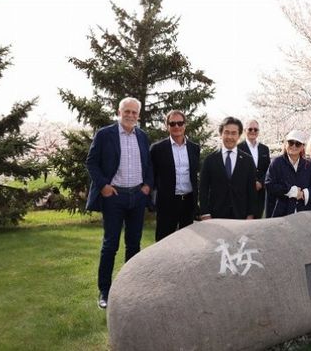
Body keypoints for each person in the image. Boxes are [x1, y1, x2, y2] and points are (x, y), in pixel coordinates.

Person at [85, 97, 153, 310]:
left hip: (137, 197)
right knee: (110, 245)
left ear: (138, 115)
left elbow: (148, 165)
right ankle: (105, 291)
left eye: (134, 112)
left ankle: (131, 287)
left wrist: (147, 186)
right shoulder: (105, 134)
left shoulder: (142, 136)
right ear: (119, 111)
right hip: (114, 197)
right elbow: (91, 162)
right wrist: (104, 185)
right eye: (127, 111)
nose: (131, 115)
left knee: (134, 245)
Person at [150, 110, 200, 241]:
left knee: (188, 241)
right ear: (167, 126)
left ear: (185, 125)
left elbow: (195, 175)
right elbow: (152, 175)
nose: (176, 126)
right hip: (167, 202)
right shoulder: (157, 149)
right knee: (163, 241)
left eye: (180, 123)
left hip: (188, 202)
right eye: (172, 124)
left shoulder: (194, 148)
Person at [199, 117, 257, 220]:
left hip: (241, 215)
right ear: (221, 134)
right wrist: (205, 213)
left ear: (239, 135)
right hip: (216, 216)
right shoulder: (210, 160)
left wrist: (251, 214)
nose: (230, 136)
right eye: (226, 132)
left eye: (234, 133)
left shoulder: (247, 160)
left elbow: (251, 190)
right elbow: (203, 189)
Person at [265, 130, 311, 217]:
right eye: (291, 143)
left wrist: (304, 193)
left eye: (297, 143)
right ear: (286, 144)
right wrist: (290, 191)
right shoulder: (276, 163)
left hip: (303, 213)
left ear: (302, 147)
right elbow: (269, 184)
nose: (294, 146)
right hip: (280, 214)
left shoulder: (308, 165)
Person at [237, 119, 271, 218]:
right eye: (250, 129)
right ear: (245, 131)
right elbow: (237, 171)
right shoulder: (238, 148)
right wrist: (252, 183)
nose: (253, 131)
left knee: (257, 220)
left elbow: (268, 169)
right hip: (244, 192)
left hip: (260, 191)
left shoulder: (264, 149)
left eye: (255, 130)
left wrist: (261, 182)